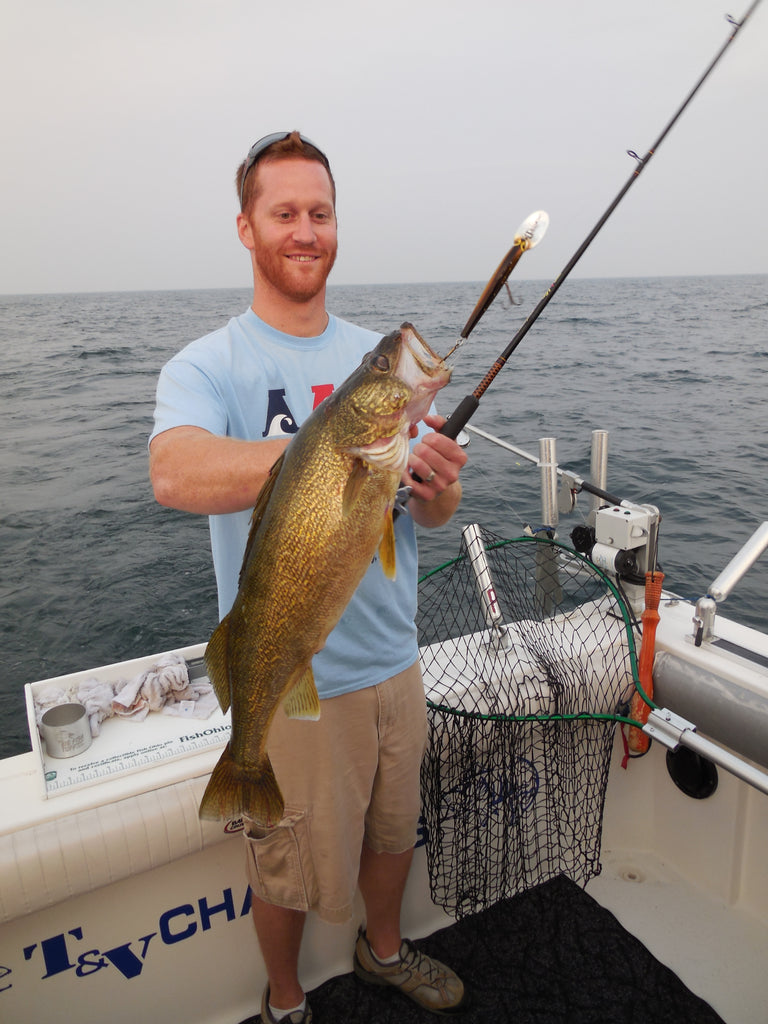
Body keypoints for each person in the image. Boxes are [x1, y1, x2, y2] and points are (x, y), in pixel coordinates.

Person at [149, 131, 468, 1023]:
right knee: (282, 864)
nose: (305, 230)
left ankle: (386, 948)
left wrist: (432, 485)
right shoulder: (210, 365)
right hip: (293, 675)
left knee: (394, 832)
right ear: (246, 228)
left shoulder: (377, 358)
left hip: (394, 665)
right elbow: (174, 473)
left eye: (319, 213)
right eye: (283, 212)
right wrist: (329, 452)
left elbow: (419, 515)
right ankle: (285, 999)